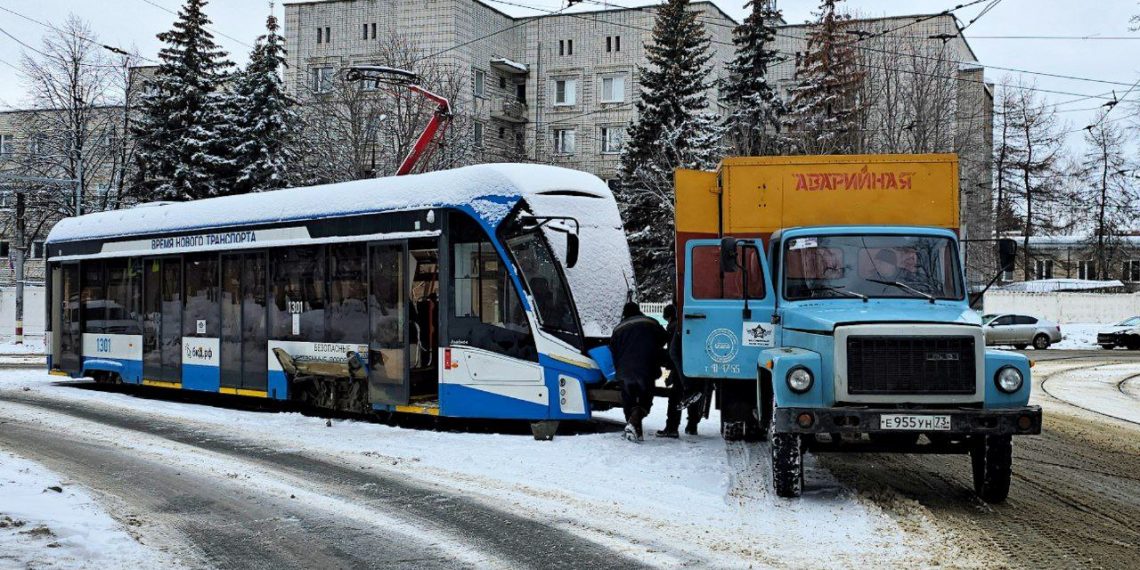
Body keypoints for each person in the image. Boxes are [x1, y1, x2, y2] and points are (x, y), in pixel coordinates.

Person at [609, 301, 669, 442]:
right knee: (645, 399)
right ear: (639, 310)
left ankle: (635, 429)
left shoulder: (618, 329)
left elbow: (612, 350)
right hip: (646, 368)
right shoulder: (651, 323)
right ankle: (635, 420)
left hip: (624, 371)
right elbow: (664, 338)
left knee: (628, 399)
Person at [656, 304, 703, 438]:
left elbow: (672, 353)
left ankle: (671, 427)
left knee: (675, 398)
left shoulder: (672, 328)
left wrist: (669, 371)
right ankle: (692, 426)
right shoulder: (685, 325)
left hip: (679, 369)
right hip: (692, 365)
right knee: (692, 397)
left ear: (668, 316)